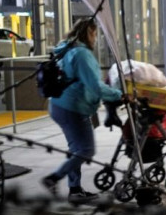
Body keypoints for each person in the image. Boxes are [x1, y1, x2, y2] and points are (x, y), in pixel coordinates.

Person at [42, 18, 124, 204]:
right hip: (73, 108)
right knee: (86, 149)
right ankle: (54, 178)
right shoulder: (81, 54)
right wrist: (119, 95)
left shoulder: (66, 49)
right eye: (94, 34)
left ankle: (75, 190)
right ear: (88, 33)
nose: (95, 39)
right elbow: (95, 87)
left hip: (58, 105)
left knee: (76, 149)